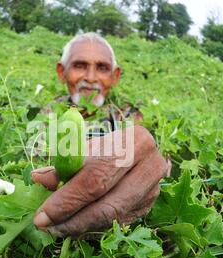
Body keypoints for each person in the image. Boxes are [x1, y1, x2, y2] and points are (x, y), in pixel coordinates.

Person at [32, 32, 171, 237]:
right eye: (79, 65)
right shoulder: (42, 115)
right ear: (62, 72)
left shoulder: (131, 116)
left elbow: (161, 161)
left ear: (115, 76)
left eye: (102, 68)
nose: (90, 78)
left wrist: (156, 170)